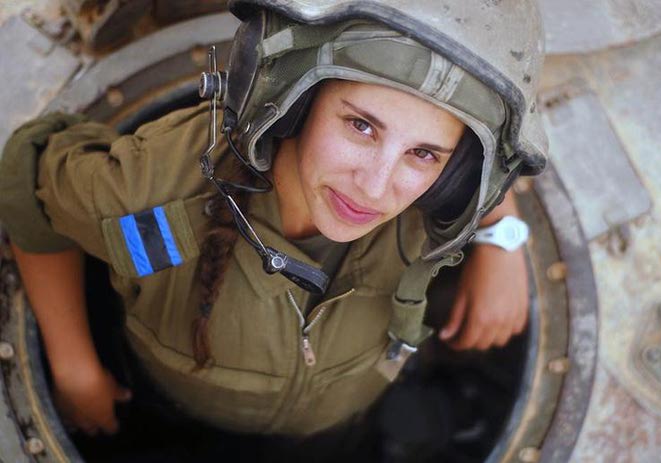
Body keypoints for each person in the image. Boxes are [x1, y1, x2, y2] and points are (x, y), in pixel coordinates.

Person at [0, 0, 547, 450]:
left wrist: (503, 236)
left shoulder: (431, 208)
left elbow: (483, 166)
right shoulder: (154, 200)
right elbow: (28, 178)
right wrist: (74, 367)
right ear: (296, 102)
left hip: (334, 432)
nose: (376, 188)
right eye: (361, 126)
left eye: (423, 154)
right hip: (169, 418)